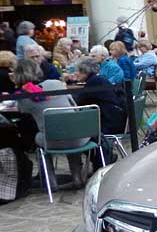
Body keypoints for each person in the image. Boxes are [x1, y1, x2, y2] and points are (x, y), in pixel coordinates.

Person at [13, 59, 87, 189]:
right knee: (68, 129)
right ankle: (77, 177)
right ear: (37, 71)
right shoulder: (56, 84)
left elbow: (22, 112)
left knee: (38, 138)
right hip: (80, 136)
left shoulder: (22, 97)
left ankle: (50, 181)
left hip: (52, 141)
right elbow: (74, 105)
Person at [73, 57, 127, 135]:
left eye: (77, 71)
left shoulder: (93, 83)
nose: (75, 73)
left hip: (108, 126)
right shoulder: (99, 79)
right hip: (118, 120)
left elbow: (76, 102)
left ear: (84, 71)